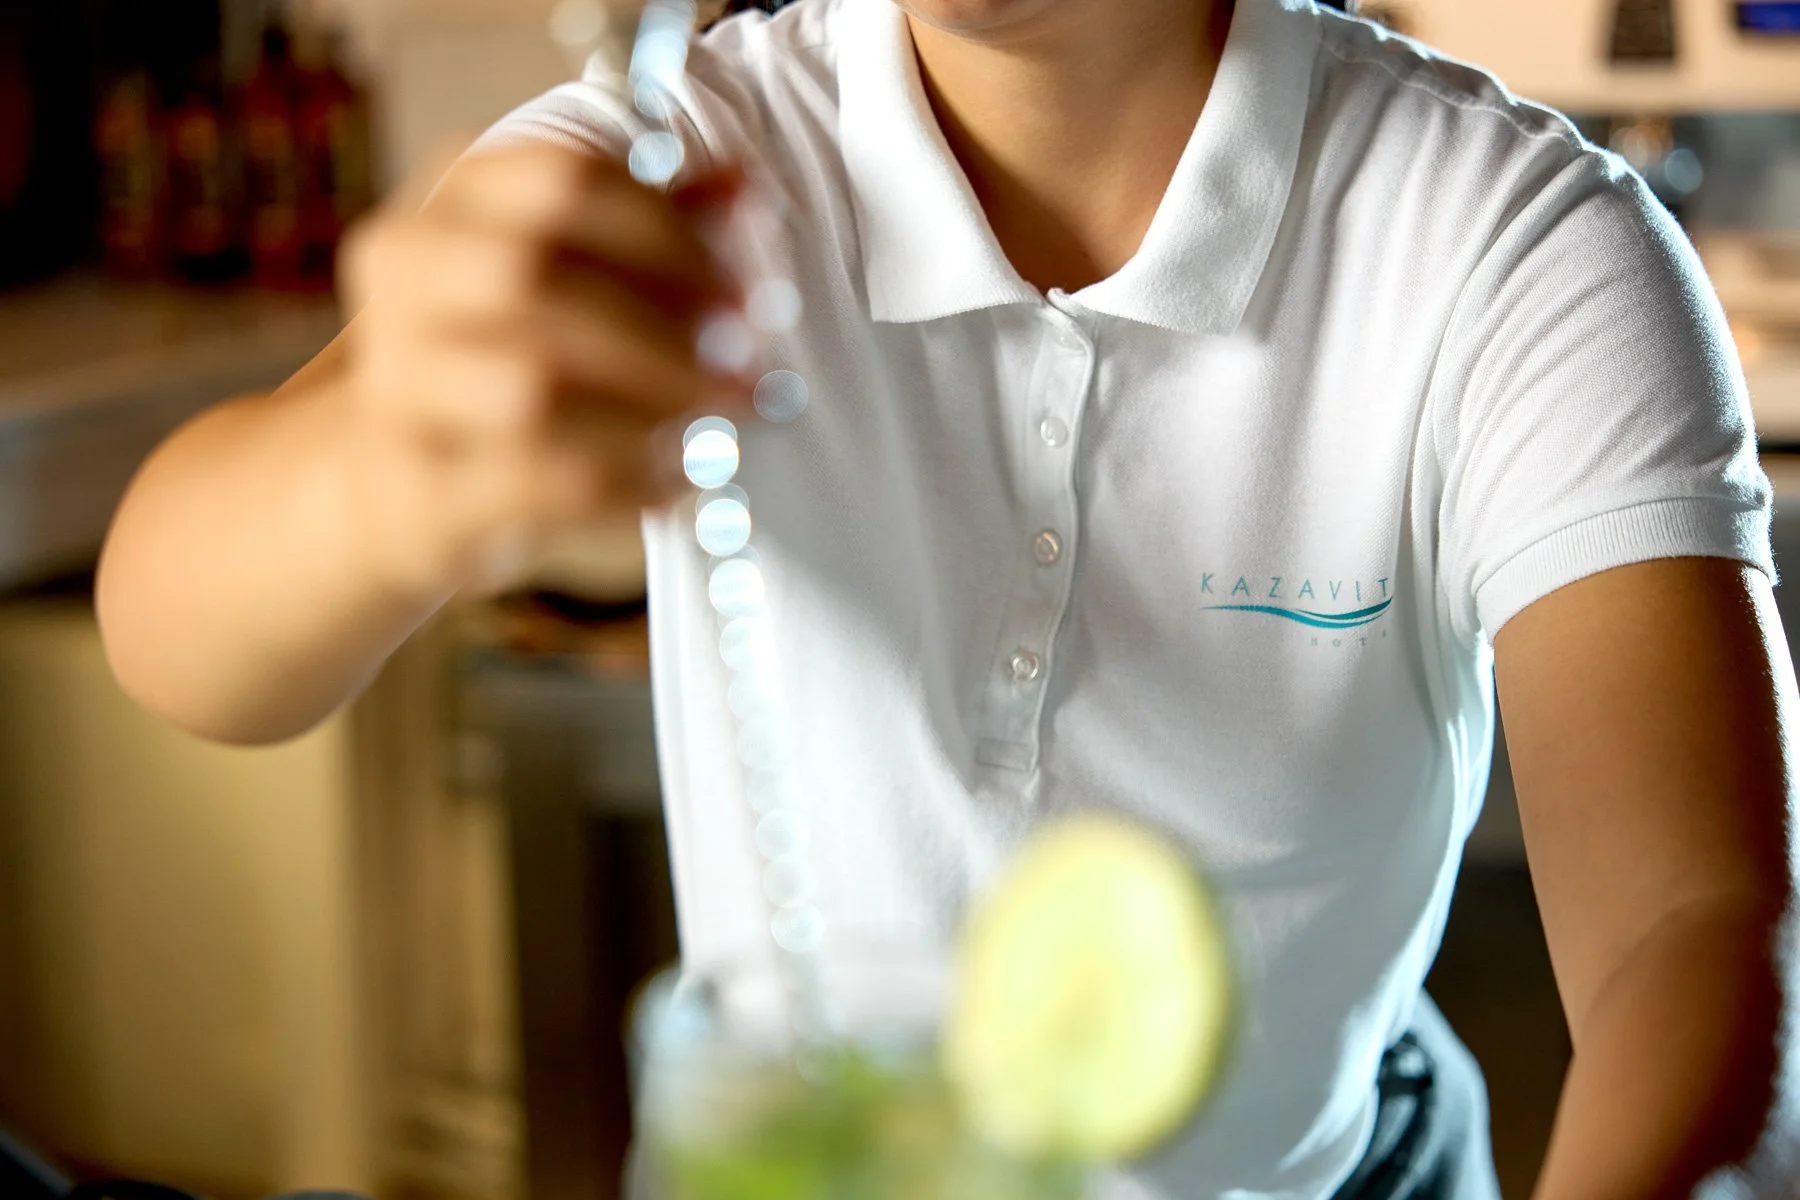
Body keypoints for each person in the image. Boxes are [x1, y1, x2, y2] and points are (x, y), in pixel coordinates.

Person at [95, 0, 1797, 1195]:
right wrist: (395, 467)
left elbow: (1695, 918)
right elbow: (182, 642)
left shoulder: (1516, 242)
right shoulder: (683, 156)